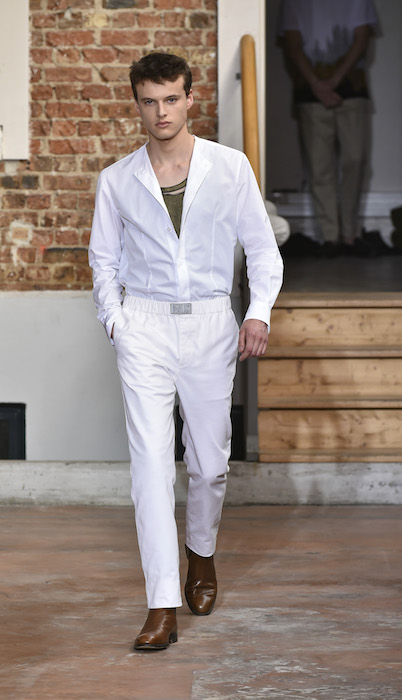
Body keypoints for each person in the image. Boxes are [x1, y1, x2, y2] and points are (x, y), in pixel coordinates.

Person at [88, 52, 283, 651]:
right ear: (137, 104)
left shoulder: (230, 167)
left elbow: (262, 248)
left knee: (208, 464)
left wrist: (257, 311)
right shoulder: (117, 179)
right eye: (149, 101)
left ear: (190, 98)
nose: (161, 112)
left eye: (171, 99)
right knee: (150, 468)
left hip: (209, 323)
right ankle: (161, 604)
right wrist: (116, 320)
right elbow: (103, 259)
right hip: (144, 326)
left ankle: (202, 553)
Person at [278, 0, 378, 257]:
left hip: (352, 89)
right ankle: (330, 237)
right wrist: (316, 84)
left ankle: (350, 235)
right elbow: (292, 44)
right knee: (319, 166)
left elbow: (362, 39)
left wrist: (332, 81)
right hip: (309, 93)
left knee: (355, 160)